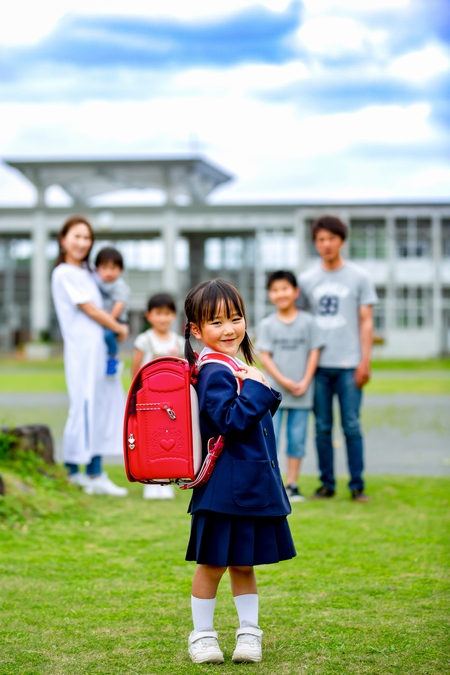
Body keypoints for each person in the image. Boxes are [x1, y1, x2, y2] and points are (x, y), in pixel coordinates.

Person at [183, 279, 296, 665]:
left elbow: (252, 420)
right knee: (212, 563)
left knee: (243, 562)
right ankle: (202, 635)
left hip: (245, 482)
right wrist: (256, 388)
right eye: (215, 322)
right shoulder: (214, 368)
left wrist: (257, 386)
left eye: (235, 318)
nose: (229, 329)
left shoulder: (234, 365)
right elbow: (229, 421)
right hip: (224, 486)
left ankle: (249, 633)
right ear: (196, 330)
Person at [298, 215, 378, 502]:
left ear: (341, 241)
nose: (326, 244)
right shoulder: (306, 280)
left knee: (352, 424)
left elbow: (366, 321)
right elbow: (300, 322)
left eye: (332, 238)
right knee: (321, 427)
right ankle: (326, 484)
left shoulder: (359, 276)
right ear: (315, 243)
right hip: (318, 366)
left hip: (349, 364)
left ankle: (357, 485)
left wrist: (364, 360)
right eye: (321, 239)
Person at [51, 215, 129, 496]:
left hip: (100, 351)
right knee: (85, 406)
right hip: (83, 351)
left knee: (102, 406)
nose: (82, 242)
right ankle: (77, 471)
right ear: (63, 239)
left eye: (87, 238)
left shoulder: (87, 272)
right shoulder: (64, 273)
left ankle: (92, 471)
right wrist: (119, 327)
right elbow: (91, 310)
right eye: (77, 236)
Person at [257, 270, 324, 502]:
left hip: (302, 393)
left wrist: (305, 380)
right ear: (269, 294)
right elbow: (264, 356)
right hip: (274, 394)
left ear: (296, 292)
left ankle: (292, 484)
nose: (280, 294)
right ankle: (270, 483)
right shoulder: (267, 324)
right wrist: (283, 380)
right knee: (270, 438)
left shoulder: (309, 322)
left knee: (297, 439)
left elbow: (314, 351)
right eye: (275, 290)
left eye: (285, 288)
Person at [131, 292, 184, 501]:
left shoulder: (178, 342)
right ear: (149, 315)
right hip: (147, 400)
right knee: (148, 439)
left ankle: (167, 479)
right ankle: (149, 481)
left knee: (170, 438)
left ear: (173, 315)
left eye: (167, 313)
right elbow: (135, 370)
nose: (163, 318)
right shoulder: (144, 340)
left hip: (172, 401)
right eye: (158, 313)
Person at [95, 247, 130, 376]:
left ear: (120, 270)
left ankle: (114, 358)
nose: (109, 272)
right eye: (104, 268)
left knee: (108, 335)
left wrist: (109, 319)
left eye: (113, 268)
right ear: (97, 268)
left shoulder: (119, 285)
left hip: (117, 318)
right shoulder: (98, 282)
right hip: (106, 317)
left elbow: (119, 304)